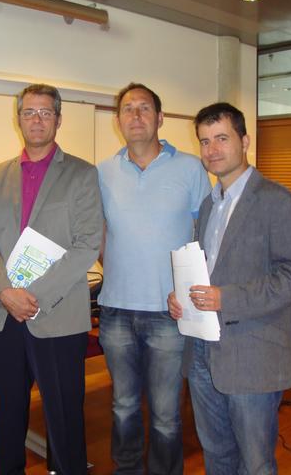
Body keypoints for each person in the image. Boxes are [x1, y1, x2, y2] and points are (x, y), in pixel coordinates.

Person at [168, 102, 291, 474]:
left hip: (252, 352)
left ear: (244, 141)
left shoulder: (278, 201)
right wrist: (182, 295)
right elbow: (210, 269)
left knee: (255, 462)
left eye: (221, 138)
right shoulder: (208, 204)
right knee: (216, 454)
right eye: (204, 141)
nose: (212, 149)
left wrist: (226, 299)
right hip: (203, 352)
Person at [0, 83, 103, 474]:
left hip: (57, 314)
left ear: (58, 120)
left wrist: (33, 296)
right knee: (8, 412)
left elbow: (87, 244)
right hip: (3, 315)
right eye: (29, 112)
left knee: (64, 416)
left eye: (46, 112)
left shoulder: (82, 174)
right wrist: (5, 292)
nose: (37, 119)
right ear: (18, 119)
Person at [96, 82, 211, 474]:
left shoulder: (191, 168)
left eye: (144, 108)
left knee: (165, 414)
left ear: (160, 117)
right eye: (128, 109)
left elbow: (204, 235)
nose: (136, 116)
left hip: (169, 312)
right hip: (115, 310)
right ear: (118, 120)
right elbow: (100, 231)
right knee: (123, 405)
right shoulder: (104, 171)